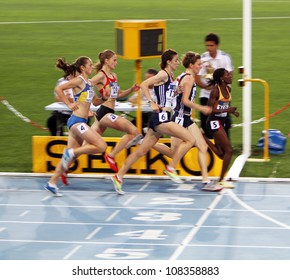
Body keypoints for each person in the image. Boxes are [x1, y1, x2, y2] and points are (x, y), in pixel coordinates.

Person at [111, 49, 195, 195]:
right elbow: (144, 84)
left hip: (161, 117)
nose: (177, 63)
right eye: (175, 60)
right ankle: (171, 168)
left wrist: (177, 92)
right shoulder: (163, 73)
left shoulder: (170, 75)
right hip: (160, 117)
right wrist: (151, 102)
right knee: (190, 139)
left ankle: (118, 176)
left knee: (141, 151)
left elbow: (166, 95)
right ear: (168, 61)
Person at [153, 51, 223, 191]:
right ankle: (170, 165)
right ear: (191, 65)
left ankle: (205, 181)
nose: (200, 66)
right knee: (176, 152)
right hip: (180, 117)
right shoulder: (189, 79)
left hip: (185, 118)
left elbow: (174, 94)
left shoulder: (182, 77)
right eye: (198, 64)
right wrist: (201, 108)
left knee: (201, 147)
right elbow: (185, 101)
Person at [44, 56, 107, 196]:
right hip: (76, 121)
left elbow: (95, 102)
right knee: (101, 146)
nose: (92, 67)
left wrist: (104, 98)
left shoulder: (89, 83)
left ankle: (52, 183)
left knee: (69, 158)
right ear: (82, 68)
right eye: (89, 65)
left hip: (81, 122)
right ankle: (71, 153)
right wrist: (69, 104)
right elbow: (59, 89)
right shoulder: (79, 80)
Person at [90, 49, 142, 173]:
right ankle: (111, 156)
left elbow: (118, 94)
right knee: (134, 131)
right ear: (106, 61)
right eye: (114, 60)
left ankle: (67, 160)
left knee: (89, 146)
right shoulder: (101, 75)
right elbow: (87, 84)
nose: (116, 63)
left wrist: (131, 89)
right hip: (105, 113)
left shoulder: (113, 76)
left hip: (107, 113)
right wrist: (94, 100)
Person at [203, 68, 239, 189]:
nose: (230, 76)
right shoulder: (215, 91)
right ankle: (220, 180)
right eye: (227, 74)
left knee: (222, 154)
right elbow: (210, 110)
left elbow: (223, 105)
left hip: (221, 121)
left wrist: (231, 112)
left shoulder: (228, 89)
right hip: (213, 121)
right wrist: (227, 110)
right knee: (229, 150)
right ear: (222, 78)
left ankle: (203, 137)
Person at [196, 33, 234, 139]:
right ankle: (210, 151)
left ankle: (225, 149)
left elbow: (230, 76)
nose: (209, 48)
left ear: (217, 45)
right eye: (207, 45)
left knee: (224, 124)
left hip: (222, 97)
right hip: (205, 96)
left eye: (211, 45)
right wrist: (206, 87)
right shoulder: (202, 59)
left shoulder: (225, 58)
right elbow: (197, 78)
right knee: (206, 124)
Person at [128, 68, 158, 135]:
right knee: (131, 125)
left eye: (149, 78)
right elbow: (131, 99)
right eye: (146, 78)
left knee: (152, 123)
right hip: (143, 113)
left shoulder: (159, 89)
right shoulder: (143, 88)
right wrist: (141, 102)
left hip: (154, 113)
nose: (147, 80)